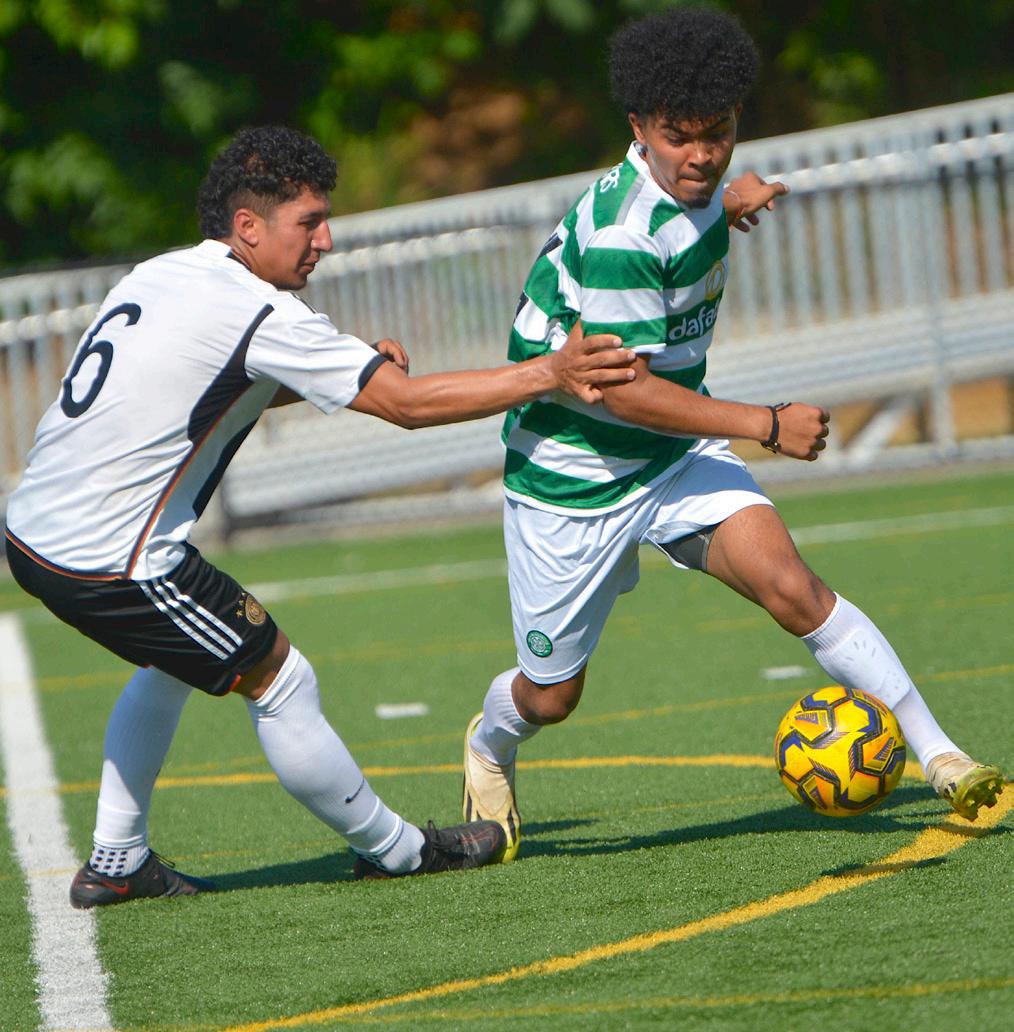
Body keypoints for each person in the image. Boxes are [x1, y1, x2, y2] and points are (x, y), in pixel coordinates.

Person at [3, 125, 637, 906]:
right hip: (109, 559)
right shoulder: (260, 311)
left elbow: (213, 381)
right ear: (248, 226)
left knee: (173, 664)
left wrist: (347, 371)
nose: (326, 241)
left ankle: (118, 860)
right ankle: (401, 852)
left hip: (34, 531)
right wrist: (551, 371)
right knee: (279, 675)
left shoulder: (162, 274)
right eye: (309, 222)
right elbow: (406, 407)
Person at [461, 6, 1004, 863]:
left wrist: (735, 197)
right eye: (679, 137)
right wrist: (766, 425)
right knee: (552, 697)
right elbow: (626, 393)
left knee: (793, 587)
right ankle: (490, 743)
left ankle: (942, 757)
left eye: (717, 134)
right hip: (573, 476)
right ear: (638, 129)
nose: (702, 155)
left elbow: (709, 202)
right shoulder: (625, 235)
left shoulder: (703, 185)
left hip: (675, 456)